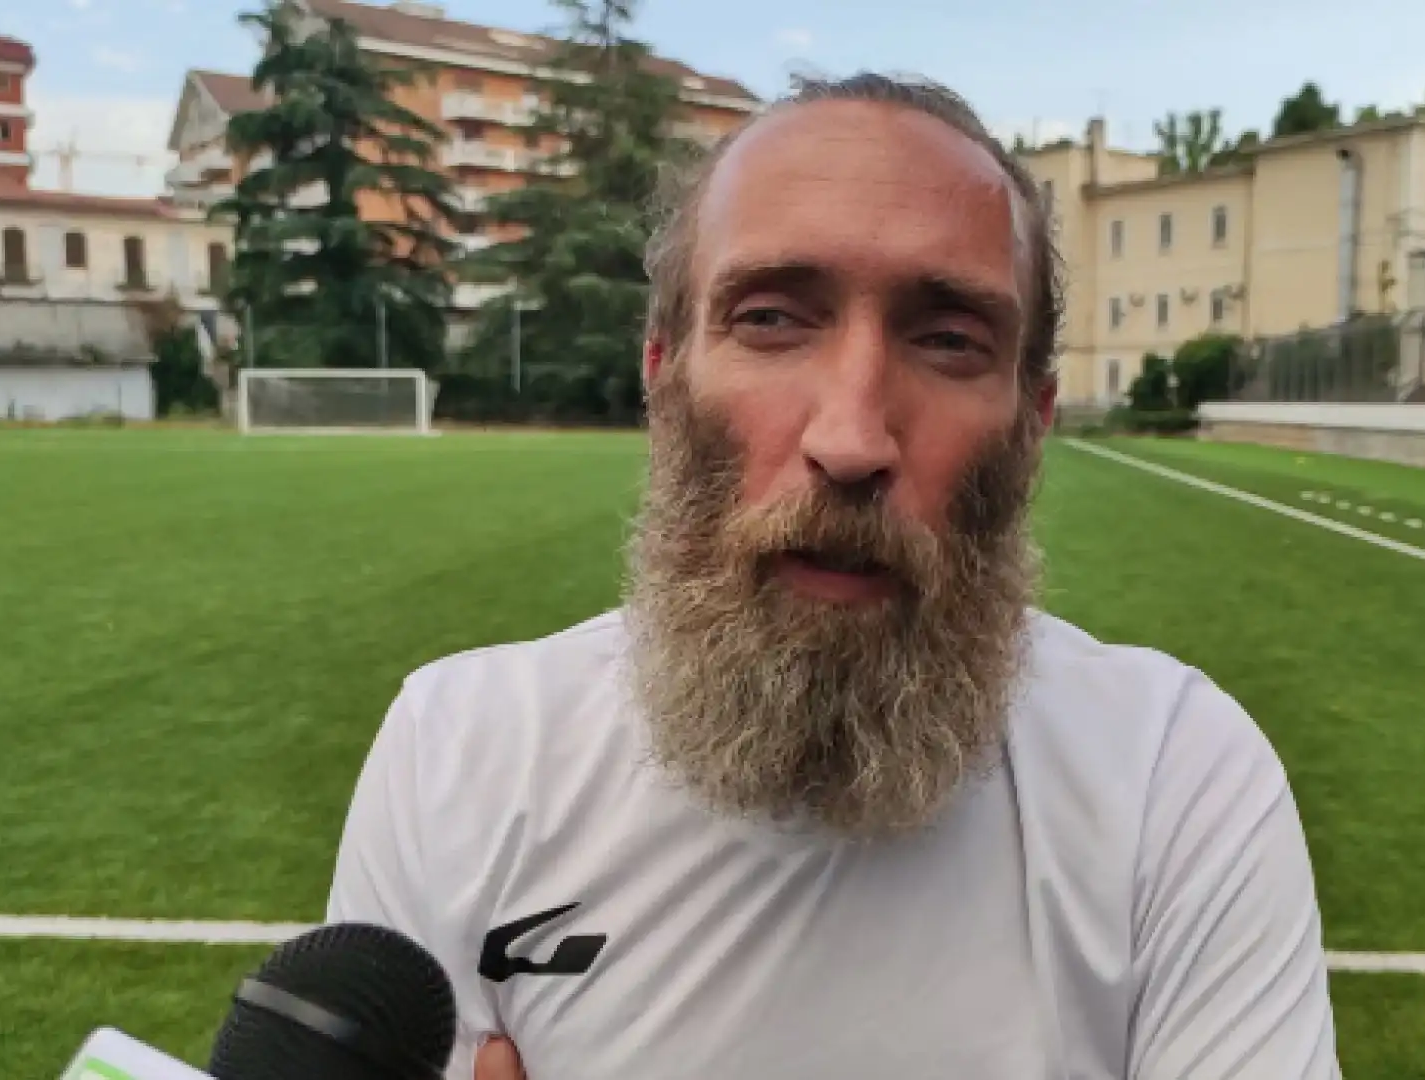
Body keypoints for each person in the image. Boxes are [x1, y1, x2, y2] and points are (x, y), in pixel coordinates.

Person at [326, 72, 1342, 1080]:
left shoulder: (1173, 779)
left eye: (948, 340)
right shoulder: (458, 754)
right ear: (663, 378)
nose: (852, 439)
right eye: (771, 319)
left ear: (1031, 428)